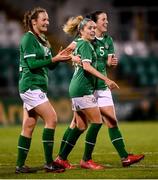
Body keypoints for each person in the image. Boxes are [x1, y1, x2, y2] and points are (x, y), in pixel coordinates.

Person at [56, 11, 144, 169]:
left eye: (107, 19)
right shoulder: (84, 41)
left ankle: (123, 157)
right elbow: (66, 55)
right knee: (79, 124)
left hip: (97, 87)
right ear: (94, 24)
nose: (107, 22)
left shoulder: (107, 40)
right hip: (87, 86)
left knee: (106, 122)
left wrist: (112, 63)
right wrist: (73, 58)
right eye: (103, 19)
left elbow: (107, 62)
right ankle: (66, 158)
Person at [15, 7, 76, 174]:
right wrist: (53, 58)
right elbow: (31, 65)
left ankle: (20, 166)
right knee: (52, 118)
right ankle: (49, 163)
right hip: (30, 86)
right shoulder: (28, 39)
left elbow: (50, 65)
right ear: (34, 22)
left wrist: (59, 58)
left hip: (37, 86)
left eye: (48, 19)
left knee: (29, 125)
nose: (47, 22)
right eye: (44, 19)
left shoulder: (43, 40)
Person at [54, 15, 119, 170]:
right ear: (81, 31)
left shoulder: (85, 44)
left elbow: (76, 58)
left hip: (78, 88)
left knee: (81, 126)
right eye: (89, 28)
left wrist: (72, 57)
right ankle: (86, 160)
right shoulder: (85, 44)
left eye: (93, 28)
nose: (92, 30)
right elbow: (87, 67)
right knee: (97, 122)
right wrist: (106, 79)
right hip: (82, 89)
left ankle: (60, 159)